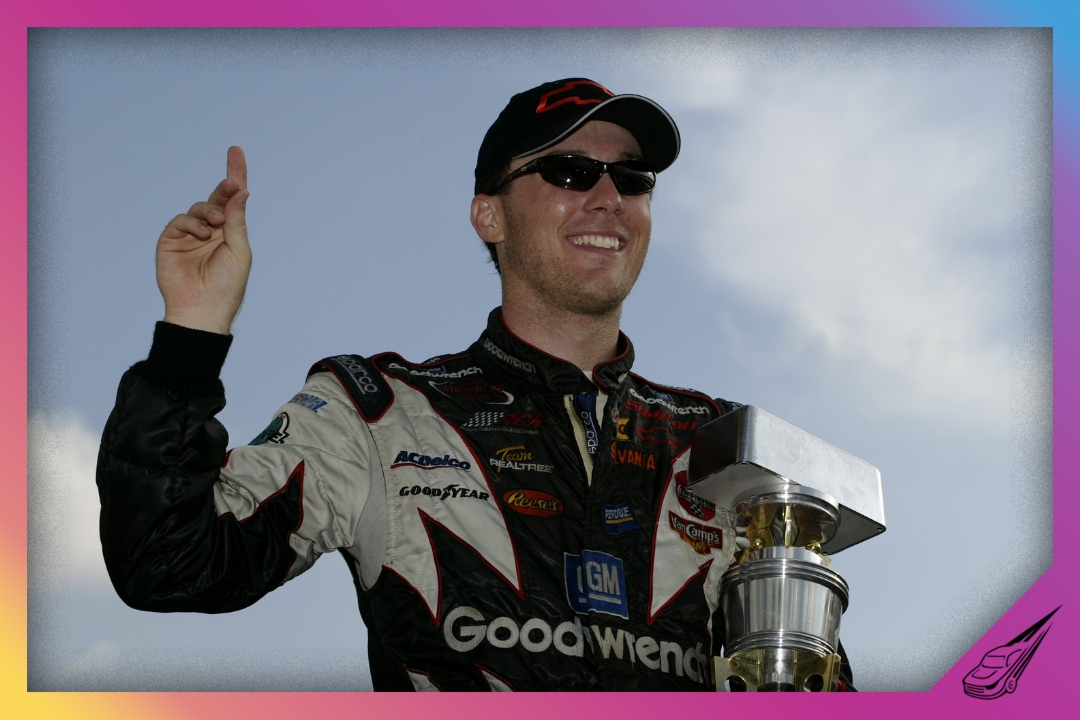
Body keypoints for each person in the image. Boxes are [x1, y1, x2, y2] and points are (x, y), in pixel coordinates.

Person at [97, 77, 854, 691]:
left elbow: (805, 680)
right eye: (568, 171)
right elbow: (166, 562)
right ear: (487, 215)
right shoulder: (379, 410)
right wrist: (191, 336)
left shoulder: (720, 442)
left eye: (632, 177)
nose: (607, 197)